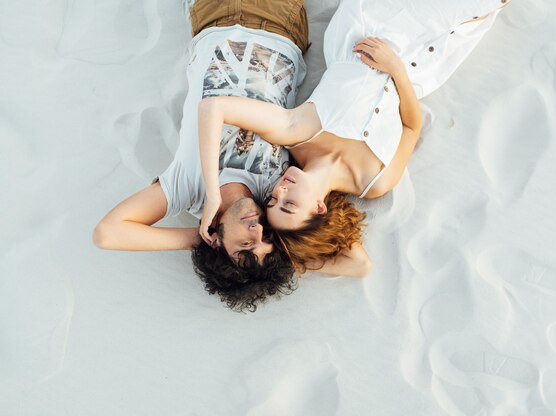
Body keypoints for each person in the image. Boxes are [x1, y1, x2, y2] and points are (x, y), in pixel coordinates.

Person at [93, 0, 370, 313]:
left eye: (245, 245)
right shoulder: (277, 193)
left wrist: (202, 236)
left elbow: (107, 233)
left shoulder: (188, 188)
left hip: (217, 15)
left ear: (217, 244)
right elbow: (358, 264)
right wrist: (282, 251)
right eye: (265, 238)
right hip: (281, 21)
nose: (257, 231)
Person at [197, 0, 510, 271]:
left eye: (272, 200)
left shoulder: (295, 133)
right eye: (288, 205)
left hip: (374, 23)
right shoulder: (374, 182)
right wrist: (397, 71)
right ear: (319, 208)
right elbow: (412, 126)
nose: (280, 191)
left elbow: (215, 107)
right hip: (425, 58)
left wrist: (214, 199)